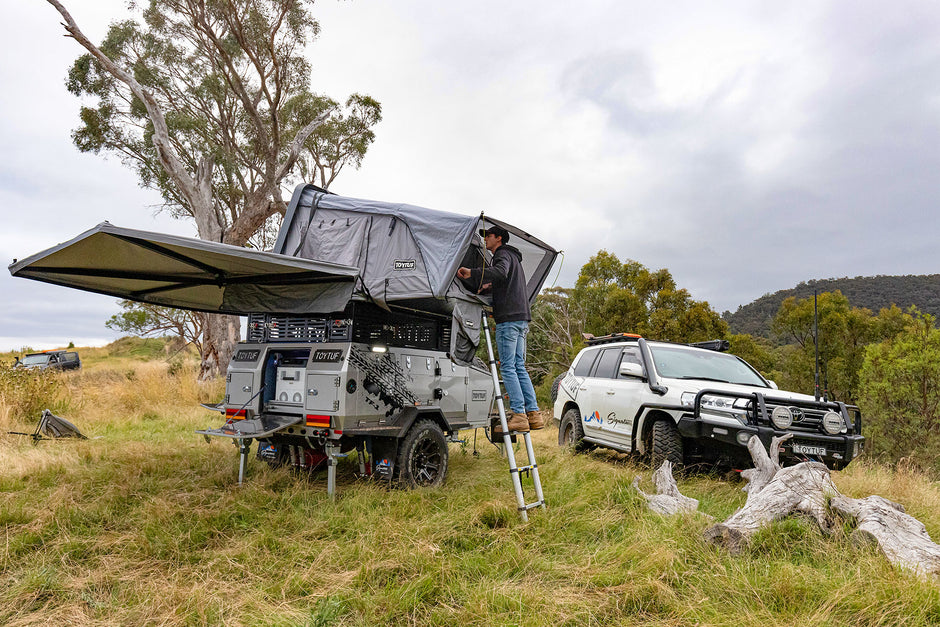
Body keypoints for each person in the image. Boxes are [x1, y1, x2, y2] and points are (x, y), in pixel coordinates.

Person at [457, 225, 543, 434]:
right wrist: (489, 286)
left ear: (499, 238)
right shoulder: (514, 258)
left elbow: (500, 272)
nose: (485, 240)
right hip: (521, 318)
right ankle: (534, 414)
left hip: (509, 319)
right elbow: (506, 279)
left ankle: (519, 415)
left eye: (488, 236)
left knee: (508, 368)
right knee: (519, 367)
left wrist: (473, 273)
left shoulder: (502, 254)